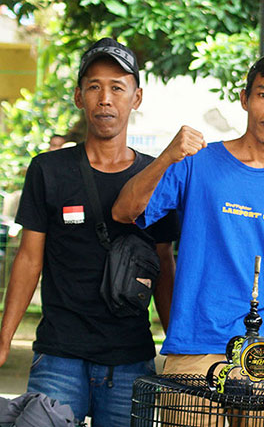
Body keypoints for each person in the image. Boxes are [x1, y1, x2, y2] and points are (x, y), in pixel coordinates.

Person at [0, 37, 178, 427]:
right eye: (94, 87)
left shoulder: (158, 177)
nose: (105, 99)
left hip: (130, 359)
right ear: (79, 97)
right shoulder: (48, 170)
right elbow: (29, 259)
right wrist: (4, 338)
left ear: (136, 97)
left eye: (117, 88)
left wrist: (176, 345)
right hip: (58, 355)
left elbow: (164, 264)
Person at [112, 54, 264, 379]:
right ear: (245, 99)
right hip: (196, 348)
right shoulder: (196, 162)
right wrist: (167, 157)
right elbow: (124, 211)